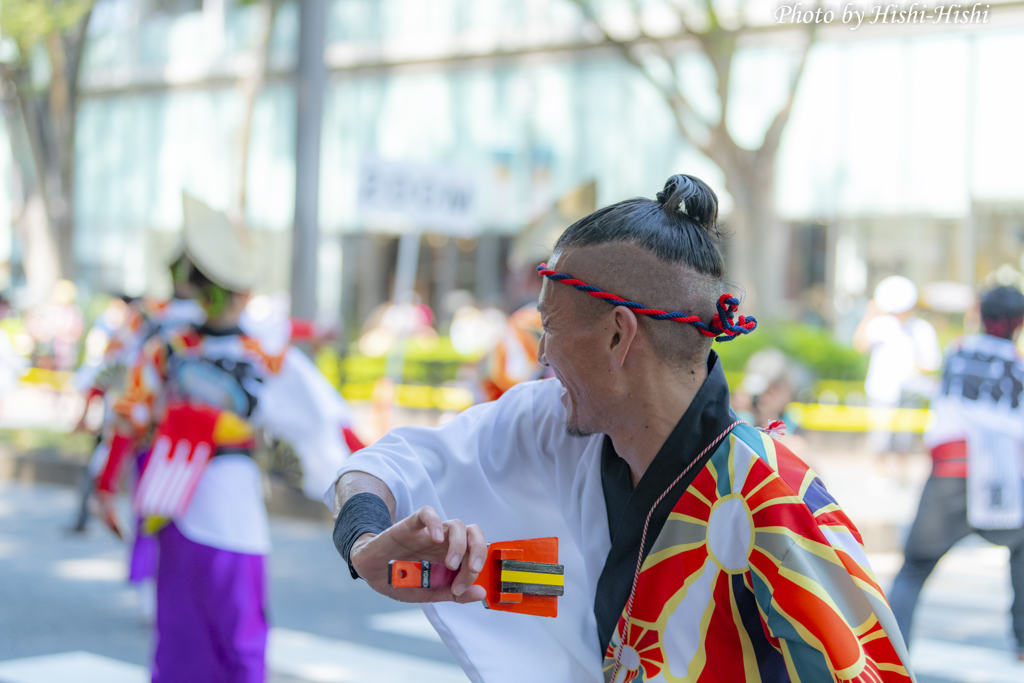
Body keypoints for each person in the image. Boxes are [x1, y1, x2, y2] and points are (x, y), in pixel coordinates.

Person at [329, 175, 913, 682]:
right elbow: (389, 462)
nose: (542, 354)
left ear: (618, 334)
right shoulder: (555, 421)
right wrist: (365, 544)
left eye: (550, 327)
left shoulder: (772, 500)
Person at [97, 194, 355, 682]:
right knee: (210, 633)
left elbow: (326, 420)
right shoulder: (190, 349)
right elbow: (331, 422)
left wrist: (106, 486)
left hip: (203, 499)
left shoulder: (233, 350)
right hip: (189, 501)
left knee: (209, 633)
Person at [889, 284, 1024, 660]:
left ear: (981, 315)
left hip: (952, 473)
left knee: (914, 569)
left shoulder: (958, 353)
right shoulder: (1019, 366)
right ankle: (1023, 639)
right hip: (1002, 480)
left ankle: (889, 653)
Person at [853, 276, 941, 456]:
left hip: (909, 392)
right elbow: (860, 345)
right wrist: (870, 314)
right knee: (879, 441)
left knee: (905, 442)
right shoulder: (881, 324)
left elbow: (931, 363)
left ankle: (901, 477)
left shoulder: (922, 329)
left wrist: (913, 372)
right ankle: (880, 477)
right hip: (881, 391)